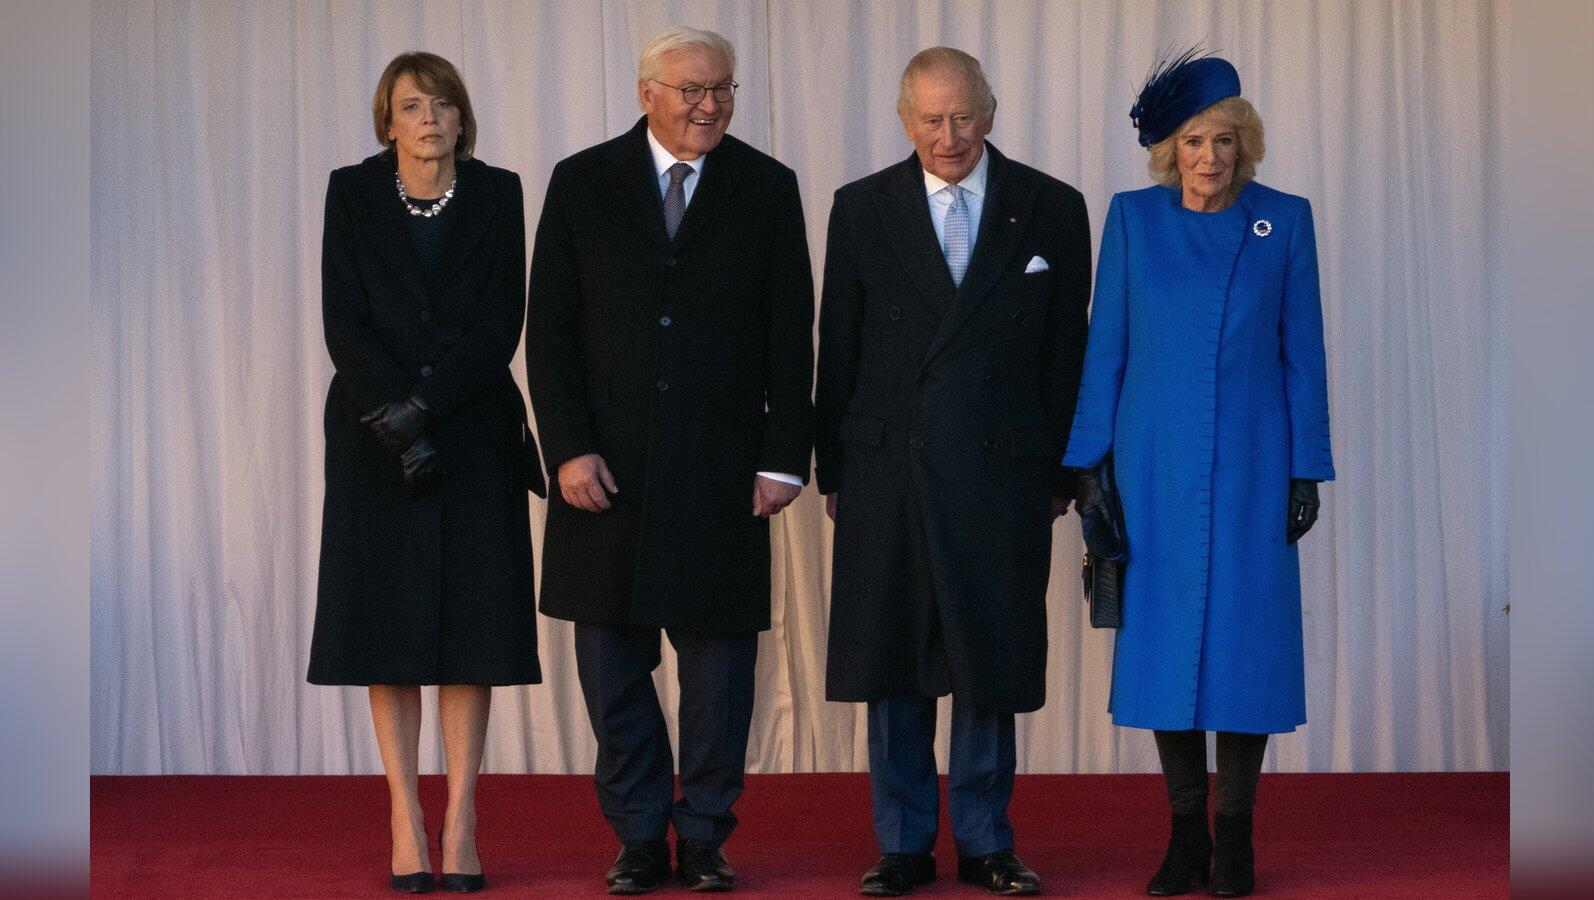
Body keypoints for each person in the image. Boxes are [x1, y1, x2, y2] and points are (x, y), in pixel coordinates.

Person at [525, 25, 814, 895]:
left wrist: (784, 459)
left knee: (720, 675)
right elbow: (551, 331)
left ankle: (706, 836)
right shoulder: (582, 181)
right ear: (646, 92)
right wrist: (568, 448)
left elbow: (789, 331)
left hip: (721, 469)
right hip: (603, 472)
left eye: (723, 88)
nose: (710, 105)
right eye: (692, 89)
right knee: (612, 669)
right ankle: (640, 835)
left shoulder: (767, 186)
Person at [815, 47, 1091, 897]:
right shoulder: (861, 207)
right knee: (893, 659)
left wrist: (1063, 471)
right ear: (905, 120)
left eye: (964, 115)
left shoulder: (1051, 205)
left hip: (1004, 470)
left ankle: (985, 841)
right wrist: (834, 468)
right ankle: (902, 843)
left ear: (991, 112)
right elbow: (839, 343)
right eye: (931, 119)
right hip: (889, 468)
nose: (949, 135)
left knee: (988, 658)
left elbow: (1067, 353)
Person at [1063, 51, 1336, 898]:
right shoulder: (1133, 220)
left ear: (1244, 144)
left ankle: (1237, 837)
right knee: (1164, 645)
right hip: (1152, 465)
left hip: (1255, 461)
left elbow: (1302, 354)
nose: (1209, 157)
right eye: (1192, 141)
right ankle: (1186, 839)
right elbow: (1106, 347)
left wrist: (1306, 469)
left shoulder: (1283, 220)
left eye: (1223, 140)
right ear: (1168, 151)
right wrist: (1088, 467)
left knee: (1245, 648)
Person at [308, 52, 545, 894]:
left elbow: (501, 320)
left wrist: (428, 408)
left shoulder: (499, 191)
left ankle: (463, 818)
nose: (430, 118)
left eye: (443, 103)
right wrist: (394, 416)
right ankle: (406, 817)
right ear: (388, 121)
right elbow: (344, 320)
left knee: (471, 631)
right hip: (373, 436)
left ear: (462, 117)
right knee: (390, 628)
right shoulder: (351, 191)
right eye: (412, 105)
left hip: (472, 430)